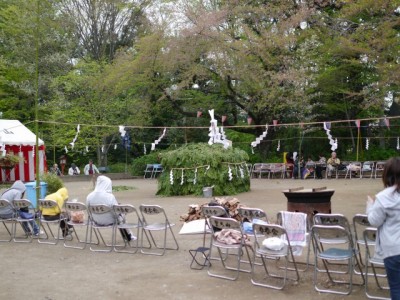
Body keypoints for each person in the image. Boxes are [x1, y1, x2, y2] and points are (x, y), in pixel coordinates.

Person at [367, 157, 400, 299]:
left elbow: (374, 221)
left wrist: (370, 205)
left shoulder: (383, 197)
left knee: (396, 287)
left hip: (393, 250)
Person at [86, 175, 133, 241]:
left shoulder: (89, 196)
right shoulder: (109, 196)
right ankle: (128, 236)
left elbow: (89, 211)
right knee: (121, 216)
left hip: (96, 221)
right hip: (110, 221)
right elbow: (116, 212)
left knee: (119, 216)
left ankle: (127, 236)